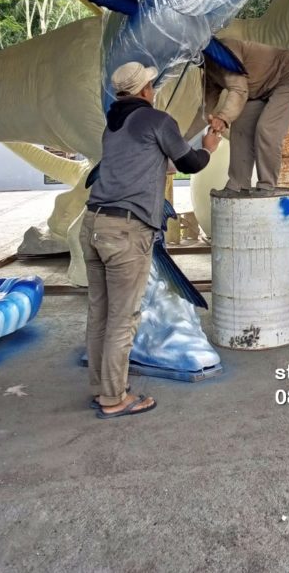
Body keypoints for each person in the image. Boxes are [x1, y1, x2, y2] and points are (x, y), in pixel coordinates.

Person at [81, 61, 221, 419]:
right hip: (126, 232)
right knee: (122, 319)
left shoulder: (113, 127)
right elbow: (189, 163)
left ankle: (101, 389)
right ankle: (114, 399)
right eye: (151, 83)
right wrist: (209, 147)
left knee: (100, 313)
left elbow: (146, 161)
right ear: (145, 89)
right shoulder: (157, 121)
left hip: (93, 223)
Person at [205, 38, 289, 194]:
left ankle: (267, 185)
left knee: (267, 128)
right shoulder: (207, 65)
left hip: (287, 77)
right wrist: (207, 121)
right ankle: (237, 186)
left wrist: (223, 118)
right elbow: (208, 100)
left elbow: (239, 89)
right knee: (239, 129)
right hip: (259, 88)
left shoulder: (227, 49)